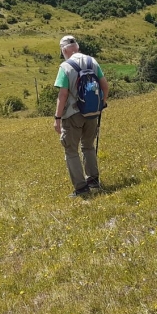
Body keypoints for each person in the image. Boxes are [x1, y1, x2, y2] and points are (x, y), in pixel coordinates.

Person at [54, 35, 109, 197]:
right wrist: (101, 104)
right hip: (93, 112)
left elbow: (63, 95)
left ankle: (81, 188)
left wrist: (57, 118)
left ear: (64, 50)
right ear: (76, 47)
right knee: (88, 146)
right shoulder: (92, 62)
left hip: (73, 115)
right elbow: (105, 86)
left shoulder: (65, 67)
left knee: (71, 150)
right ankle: (93, 180)